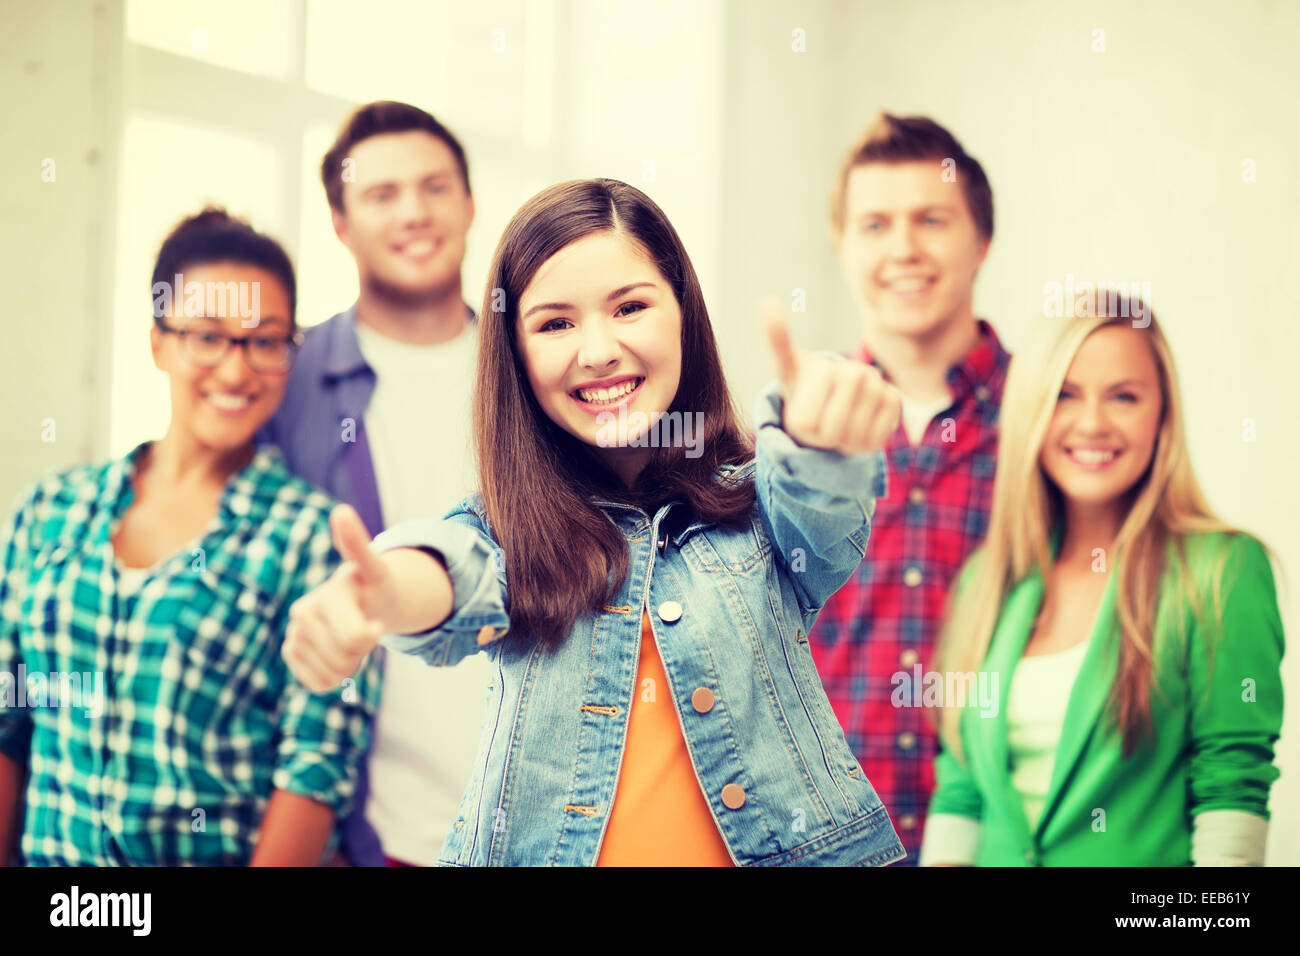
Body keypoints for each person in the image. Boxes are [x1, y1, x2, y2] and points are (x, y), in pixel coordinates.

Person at [278, 178, 908, 866]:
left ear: (683, 314)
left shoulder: (759, 506)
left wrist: (825, 446)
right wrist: (381, 595)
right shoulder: (509, 533)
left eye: (630, 307)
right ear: (515, 356)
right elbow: (448, 571)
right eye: (555, 323)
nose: (599, 350)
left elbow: (823, 513)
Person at [0, 208, 379, 866]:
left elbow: (315, 769)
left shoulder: (313, 539)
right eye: (207, 336)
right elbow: (8, 721)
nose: (236, 372)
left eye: (265, 341)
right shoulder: (52, 509)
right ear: (158, 342)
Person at [920, 293, 1285, 866]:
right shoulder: (985, 583)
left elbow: (1231, 785)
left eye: (1124, 396)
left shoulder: (1223, 570)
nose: (1092, 423)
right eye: (1065, 394)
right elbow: (961, 788)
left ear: (1163, 414)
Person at [257, 101, 484, 867]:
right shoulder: (284, 383)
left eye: (434, 186)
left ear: (471, 202)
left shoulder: (537, 370)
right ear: (340, 223)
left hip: (544, 817)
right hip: (365, 832)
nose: (414, 213)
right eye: (382, 195)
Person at [807, 112, 1010, 861]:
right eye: (876, 224)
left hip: (1009, 833)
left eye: (932, 219)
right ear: (843, 246)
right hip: (827, 838)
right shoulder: (797, 428)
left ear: (981, 240)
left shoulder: (1053, 423)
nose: (904, 249)